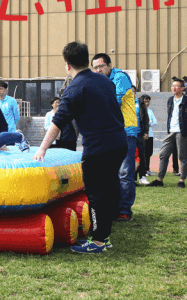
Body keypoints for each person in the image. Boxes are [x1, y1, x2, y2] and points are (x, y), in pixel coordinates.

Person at [34, 42, 127, 254]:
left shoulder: (74, 89)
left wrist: (42, 149)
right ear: (87, 60)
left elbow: (57, 123)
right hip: (119, 143)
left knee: (95, 194)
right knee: (109, 189)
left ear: (67, 65)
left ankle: (99, 241)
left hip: (98, 148)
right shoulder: (105, 81)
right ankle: (104, 236)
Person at [91, 53, 138, 222]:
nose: (98, 70)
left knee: (124, 173)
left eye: (101, 66)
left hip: (125, 131)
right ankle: (113, 208)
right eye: (95, 68)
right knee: (110, 174)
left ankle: (124, 210)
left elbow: (115, 101)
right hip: (109, 132)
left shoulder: (120, 78)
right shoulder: (99, 82)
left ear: (109, 65)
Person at [148, 79, 187, 188]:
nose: (174, 88)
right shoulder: (170, 100)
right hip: (171, 131)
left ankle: (182, 180)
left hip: (182, 131)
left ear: (182, 88)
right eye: (172, 86)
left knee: (182, 156)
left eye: (177, 86)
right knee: (163, 154)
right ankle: (159, 179)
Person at [142, 95, 158, 176]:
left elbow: (155, 122)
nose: (147, 103)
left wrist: (148, 123)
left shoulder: (150, 111)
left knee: (149, 152)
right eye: (145, 101)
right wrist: (148, 123)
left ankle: (147, 169)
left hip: (150, 134)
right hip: (143, 135)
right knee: (143, 153)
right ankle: (143, 170)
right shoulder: (139, 111)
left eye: (148, 101)